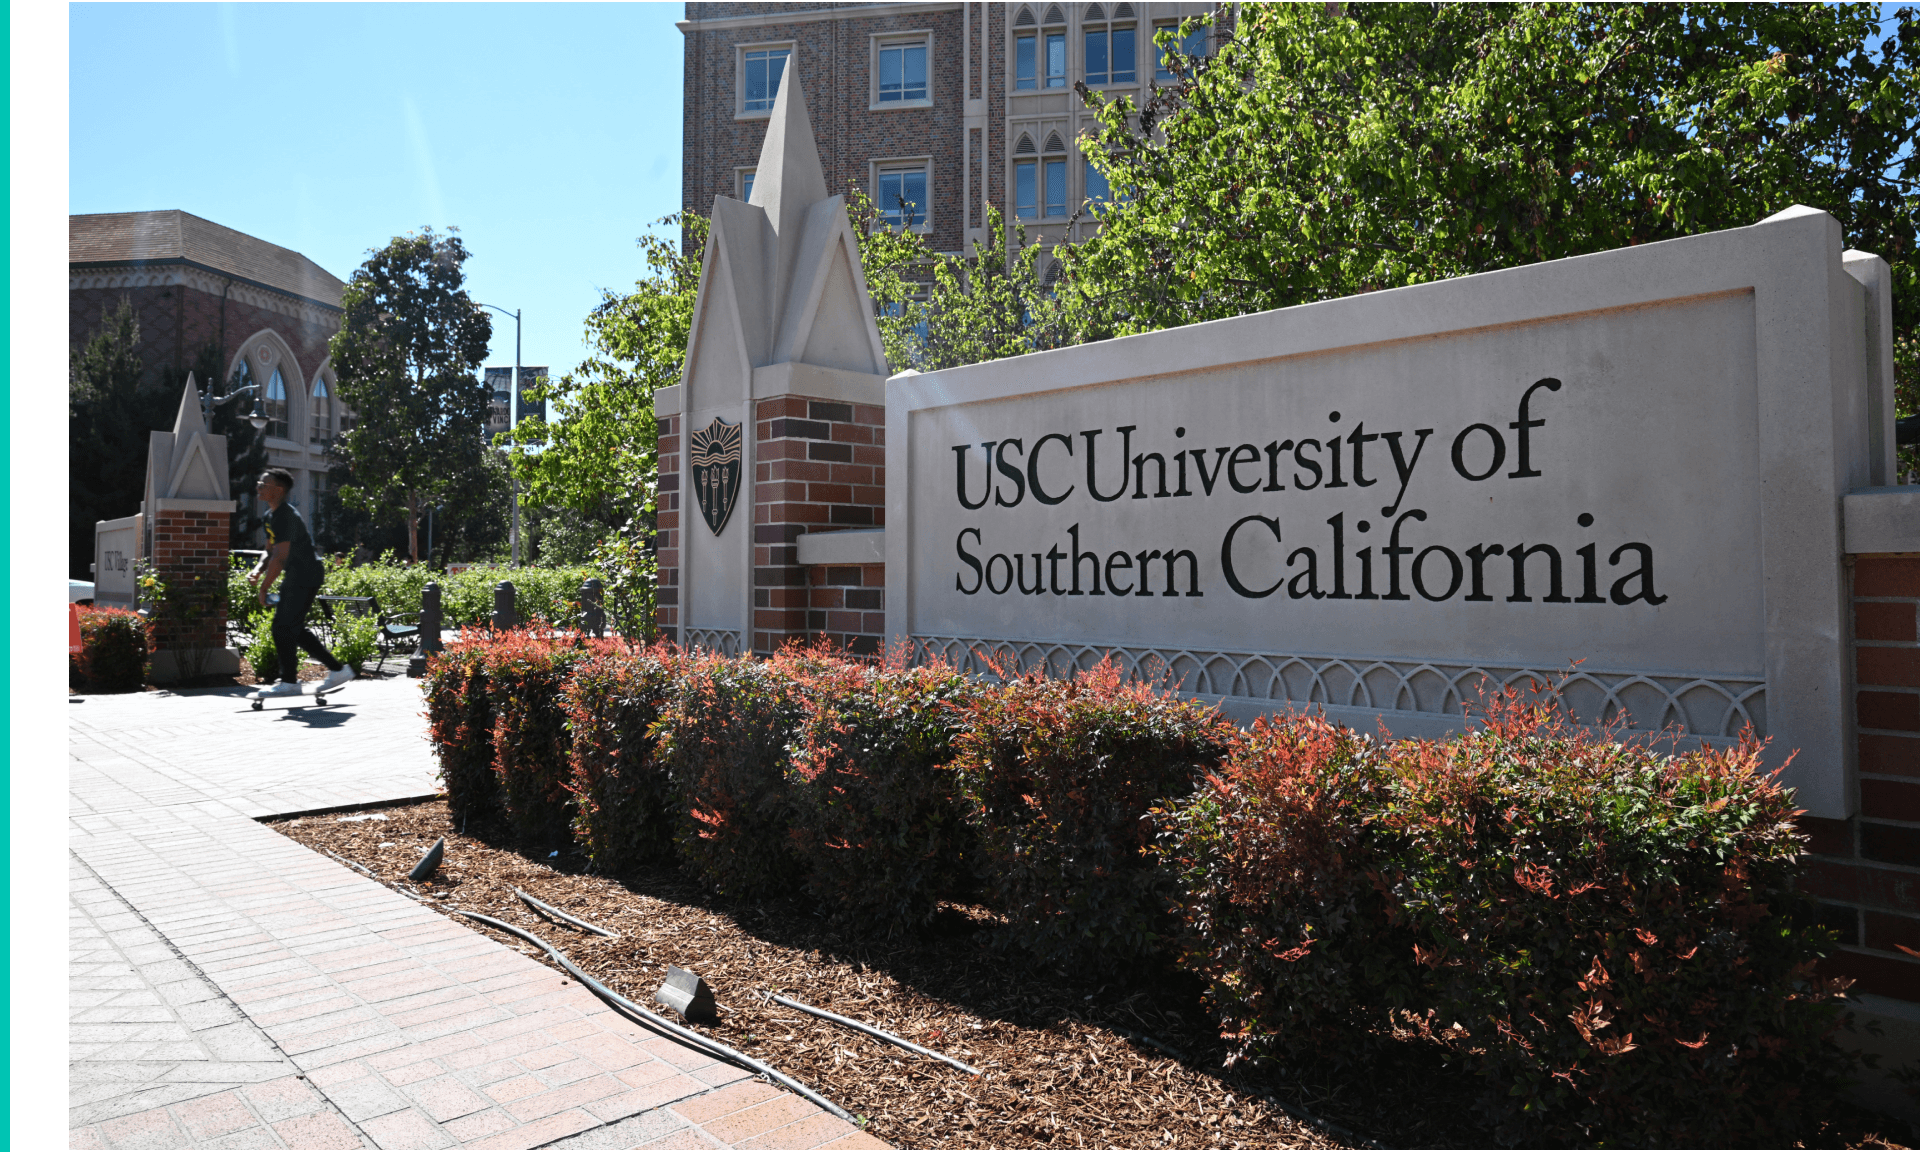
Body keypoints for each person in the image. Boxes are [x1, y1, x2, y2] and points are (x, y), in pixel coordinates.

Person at [248, 468, 354, 699]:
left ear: (278, 490)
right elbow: (268, 552)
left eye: (263, 484)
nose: (258, 487)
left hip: (305, 573)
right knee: (292, 627)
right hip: (298, 574)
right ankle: (337, 670)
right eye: (259, 482)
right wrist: (257, 571)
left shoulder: (286, 516)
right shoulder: (270, 516)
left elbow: (280, 556)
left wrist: (264, 588)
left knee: (282, 626)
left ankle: (290, 681)